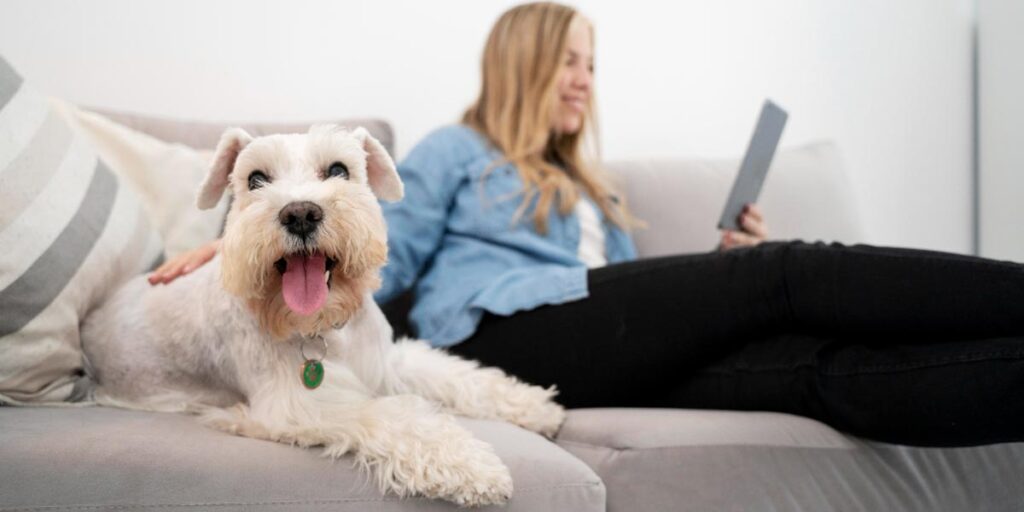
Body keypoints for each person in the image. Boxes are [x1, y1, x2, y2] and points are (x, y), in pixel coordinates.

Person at [151, 2, 1024, 446]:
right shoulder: (460, 148)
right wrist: (255, 245)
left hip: (599, 338)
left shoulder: (596, 189)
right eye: (569, 60)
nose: (583, 79)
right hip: (509, 331)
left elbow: (638, 307)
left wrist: (718, 263)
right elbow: (377, 253)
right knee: (787, 275)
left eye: (592, 64)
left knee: (813, 373)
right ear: (526, 62)